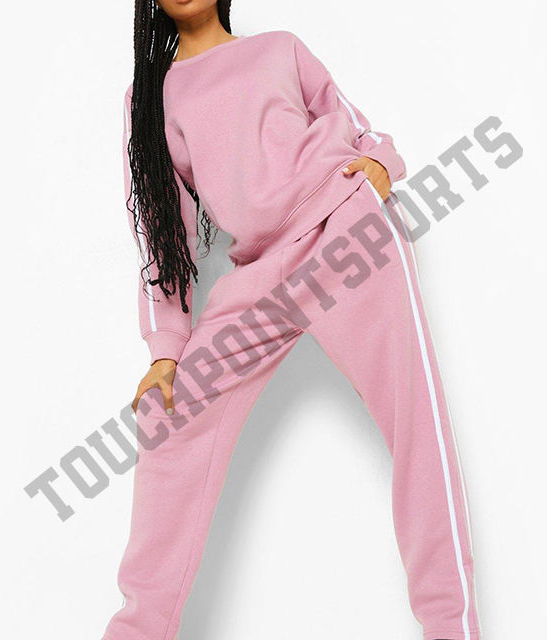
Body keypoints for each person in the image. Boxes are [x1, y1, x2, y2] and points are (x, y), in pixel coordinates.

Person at [102, 2, 481, 639]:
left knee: (417, 424)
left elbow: (355, 124)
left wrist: (381, 165)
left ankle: (452, 629)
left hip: (346, 232)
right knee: (169, 416)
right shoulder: (150, 98)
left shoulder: (279, 46)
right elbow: (159, 228)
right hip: (258, 272)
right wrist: (166, 348)